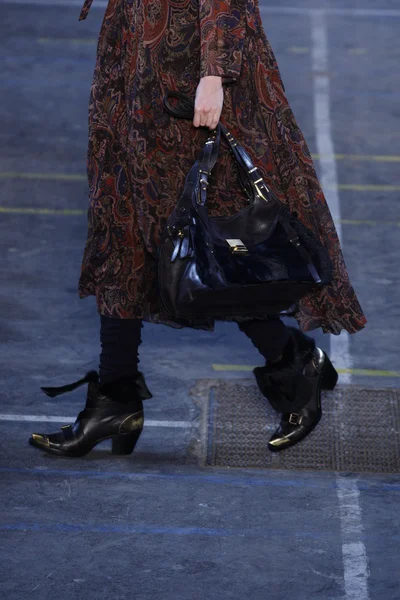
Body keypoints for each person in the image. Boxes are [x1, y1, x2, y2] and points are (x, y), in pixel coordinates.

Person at [29, 0, 366, 457]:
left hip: (186, 72)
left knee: (211, 244)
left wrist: (214, 74)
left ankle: (292, 364)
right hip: (133, 67)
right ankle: (114, 396)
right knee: (120, 227)